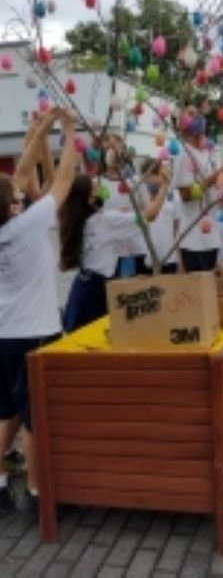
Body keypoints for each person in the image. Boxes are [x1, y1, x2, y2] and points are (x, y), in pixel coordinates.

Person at [0, 108, 77, 518]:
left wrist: (40, 132)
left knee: (5, 412)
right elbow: (63, 179)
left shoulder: (11, 224)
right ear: (12, 206)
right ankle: (35, 494)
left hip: (4, 333)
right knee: (33, 419)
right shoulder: (27, 226)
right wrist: (67, 130)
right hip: (35, 333)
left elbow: (19, 176)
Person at [60, 166, 169, 333]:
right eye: (95, 187)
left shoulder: (78, 220)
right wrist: (165, 186)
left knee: (77, 336)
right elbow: (150, 215)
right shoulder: (105, 221)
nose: (100, 186)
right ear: (90, 198)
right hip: (95, 291)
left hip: (83, 286)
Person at [172, 105, 223, 272]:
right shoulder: (183, 152)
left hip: (211, 238)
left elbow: (215, 188)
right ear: (182, 123)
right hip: (193, 241)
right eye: (191, 114)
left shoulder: (209, 152)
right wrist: (216, 176)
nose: (197, 117)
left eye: (197, 113)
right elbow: (185, 195)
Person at [100, 134, 150, 277]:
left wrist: (132, 213)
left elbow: (148, 210)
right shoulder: (98, 183)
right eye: (108, 148)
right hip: (110, 250)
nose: (112, 151)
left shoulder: (135, 181)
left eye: (116, 147)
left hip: (135, 247)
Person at [141, 158, 179, 275]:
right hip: (148, 260)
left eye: (157, 174)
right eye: (150, 175)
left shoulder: (172, 196)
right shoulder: (140, 197)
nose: (155, 178)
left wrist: (179, 258)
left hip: (170, 259)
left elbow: (176, 228)